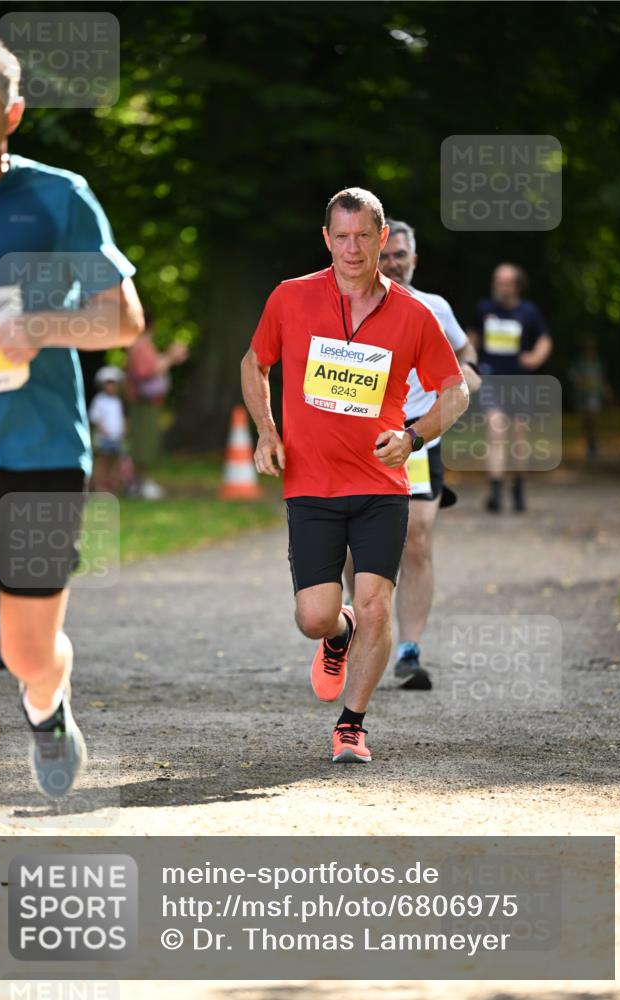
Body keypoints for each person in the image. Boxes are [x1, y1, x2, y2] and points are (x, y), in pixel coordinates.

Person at [0, 34, 144, 906]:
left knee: (23, 649)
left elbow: (123, 319)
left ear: (12, 114)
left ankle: (48, 701)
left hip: (40, 455)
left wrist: (35, 329)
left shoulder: (54, 198)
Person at [241, 187, 468, 765]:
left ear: (381, 239)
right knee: (315, 616)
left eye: (363, 236)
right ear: (326, 239)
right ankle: (336, 635)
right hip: (311, 485)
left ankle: (352, 723)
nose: (352, 248)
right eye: (341, 236)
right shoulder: (291, 298)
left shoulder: (413, 314)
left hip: (380, 483)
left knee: (375, 604)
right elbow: (255, 362)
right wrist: (268, 431)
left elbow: (456, 390)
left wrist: (415, 435)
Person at [347, 219, 481, 690]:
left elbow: (467, 354)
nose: (393, 264)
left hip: (421, 436)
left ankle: (409, 650)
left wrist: (468, 374)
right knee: (352, 544)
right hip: (362, 438)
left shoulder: (434, 307)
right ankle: (360, 630)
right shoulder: (352, 306)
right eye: (385, 256)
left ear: (413, 259)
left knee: (418, 539)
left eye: (400, 255)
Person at [467, 264, 552, 513]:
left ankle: (518, 484)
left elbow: (545, 338)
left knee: (518, 437)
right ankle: (494, 489)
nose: (500, 286)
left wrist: (535, 357)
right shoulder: (484, 309)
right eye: (497, 281)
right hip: (492, 378)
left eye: (505, 282)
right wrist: (469, 361)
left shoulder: (529, 312)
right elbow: (472, 337)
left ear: (516, 285)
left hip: (519, 381)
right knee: (495, 429)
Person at [125, 311, 188, 499]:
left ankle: (138, 484)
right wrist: (170, 356)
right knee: (143, 445)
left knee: (145, 444)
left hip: (147, 404)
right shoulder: (141, 346)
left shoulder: (141, 346)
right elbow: (146, 371)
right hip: (144, 405)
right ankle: (139, 485)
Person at [568, 336, 611, 460]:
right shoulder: (579, 363)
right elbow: (574, 378)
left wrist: (606, 389)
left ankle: (593, 442)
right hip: (582, 396)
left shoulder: (597, 363)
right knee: (586, 421)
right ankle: (590, 442)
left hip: (594, 396)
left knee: (593, 417)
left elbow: (602, 378)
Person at [89, 366, 126, 493]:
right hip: (104, 438)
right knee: (103, 462)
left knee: (114, 463)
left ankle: (112, 487)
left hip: (116, 437)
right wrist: (103, 430)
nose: (111, 387)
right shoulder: (100, 400)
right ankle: (99, 487)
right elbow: (94, 418)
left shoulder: (117, 401)